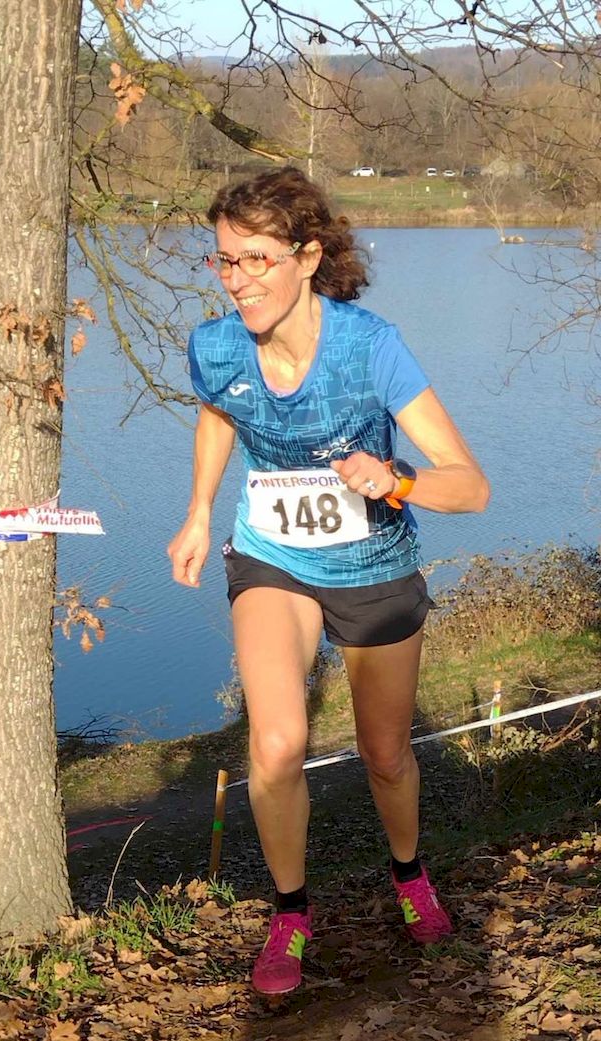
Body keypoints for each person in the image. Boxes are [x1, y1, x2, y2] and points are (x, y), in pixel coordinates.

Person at [167, 167, 489, 996]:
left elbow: (470, 483)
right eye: (226, 261)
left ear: (308, 257)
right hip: (272, 556)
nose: (240, 280)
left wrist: (397, 479)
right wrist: (201, 510)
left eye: (259, 259)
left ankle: (410, 876)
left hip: (375, 565)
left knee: (385, 754)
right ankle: (290, 912)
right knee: (276, 747)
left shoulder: (369, 347)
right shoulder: (215, 344)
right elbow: (218, 411)